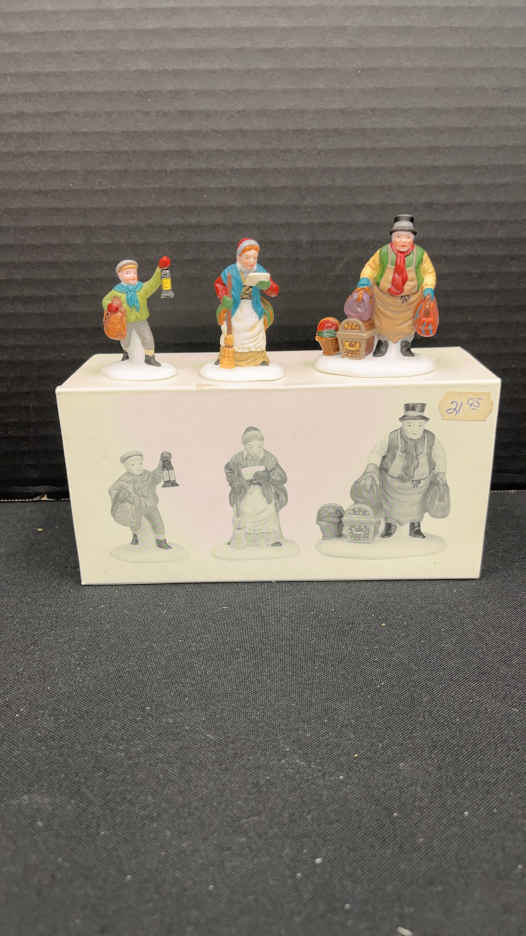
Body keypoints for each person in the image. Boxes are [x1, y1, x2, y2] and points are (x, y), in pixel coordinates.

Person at [356, 404, 448, 538]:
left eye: (419, 425)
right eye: (409, 425)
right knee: (390, 505)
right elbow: (377, 452)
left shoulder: (431, 439)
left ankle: (415, 526)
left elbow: (440, 456)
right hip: (392, 483)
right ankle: (389, 525)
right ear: (403, 424)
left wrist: (441, 472)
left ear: (424, 424)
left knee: (417, 506)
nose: (415, 429)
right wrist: (372, 466)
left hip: (419, 484)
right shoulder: (392, 437)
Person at [355, 215, 436, 357]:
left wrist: (428, 288)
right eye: (398, 237)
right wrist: (365, 279)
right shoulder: (383, 252)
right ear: (392, 237)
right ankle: (382, 341)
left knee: (409, 323)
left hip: (410, 299)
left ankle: (406, 342)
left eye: (407, 237)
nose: (403, 241)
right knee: (381, 321)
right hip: (384, 297)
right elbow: (371, 267)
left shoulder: (420, 254)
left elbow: (428, 272)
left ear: (413, 238)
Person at [214, 238, 279, 367]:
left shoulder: (259, 270)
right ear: (239, 257)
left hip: (253, 307)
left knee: (256, 329)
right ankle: (225, 355)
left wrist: (267, 286)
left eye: (254, 258)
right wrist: (223, 297)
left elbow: (274, 290)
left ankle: (258, 357)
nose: (251, 261)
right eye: (247, 257)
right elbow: (219, 284)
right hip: (235, 308)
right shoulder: (230, 271)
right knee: (231, 329)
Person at [224, 427, 288, 548]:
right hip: (245, 492)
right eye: (250, 446)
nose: (255, 450)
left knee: (268, 513)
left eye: (259, 446)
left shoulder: (269, 458)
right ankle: (241, 539)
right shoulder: (237, 459)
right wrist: (235, 481)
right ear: (244, 446)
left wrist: (268, 476)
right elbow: (229, 471)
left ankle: (272, 539)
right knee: (243, 514)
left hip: (264, 493)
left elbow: (282, 477)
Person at [102, 256, 171, 366]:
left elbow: (153, 283)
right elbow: (106, 300)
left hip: (140, 319)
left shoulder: (142, 288)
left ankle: (149, 357)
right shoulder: (117, 291)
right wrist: (110, 306)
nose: (132, 275)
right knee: (125, 339)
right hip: (124, 320)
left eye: (134, 272)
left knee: (147, 337)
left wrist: (160, 268)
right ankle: (126, 352)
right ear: (120, 275)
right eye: (128, 273)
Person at [109, 451, 173, 549]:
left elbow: (156, 477)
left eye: (140, 463)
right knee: (135, 524)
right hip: (136, 507)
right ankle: (136, 536)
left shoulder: (147, 475)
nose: (138, 467)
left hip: (150, 505)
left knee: (157, 522)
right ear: (126, 467)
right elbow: (113, 490)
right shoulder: (124, 480)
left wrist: (162, 463)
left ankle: (161, 540)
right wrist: (124, 496)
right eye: (133, 465)